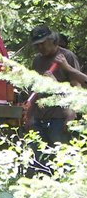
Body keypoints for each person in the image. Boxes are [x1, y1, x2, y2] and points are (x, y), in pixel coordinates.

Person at [27, 25, 83, 173]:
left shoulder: (66, 57)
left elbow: (77, 86)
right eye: (37, 45)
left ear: (52, 40)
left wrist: (72, 113)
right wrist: (30, 116)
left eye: (43, 43)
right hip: (40, 117)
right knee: (38, 157)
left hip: (60, 117)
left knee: (61, 158)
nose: (40, 47)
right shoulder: (37, 61)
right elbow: (36, 89)